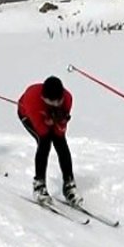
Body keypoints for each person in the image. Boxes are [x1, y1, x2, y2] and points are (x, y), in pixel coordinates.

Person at [18, 76, 79, 205]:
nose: (56, 104)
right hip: (27, 115)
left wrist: (60, 121)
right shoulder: (32, 99)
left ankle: (69, 184)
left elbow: (60, 131)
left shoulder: (67, 99)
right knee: (44, 142)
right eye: (52, 101)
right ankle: (39, 185)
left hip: (46, 117)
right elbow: (43, 131)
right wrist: (48, 121)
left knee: (61, 143)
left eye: (59, 101)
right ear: (44, 98)